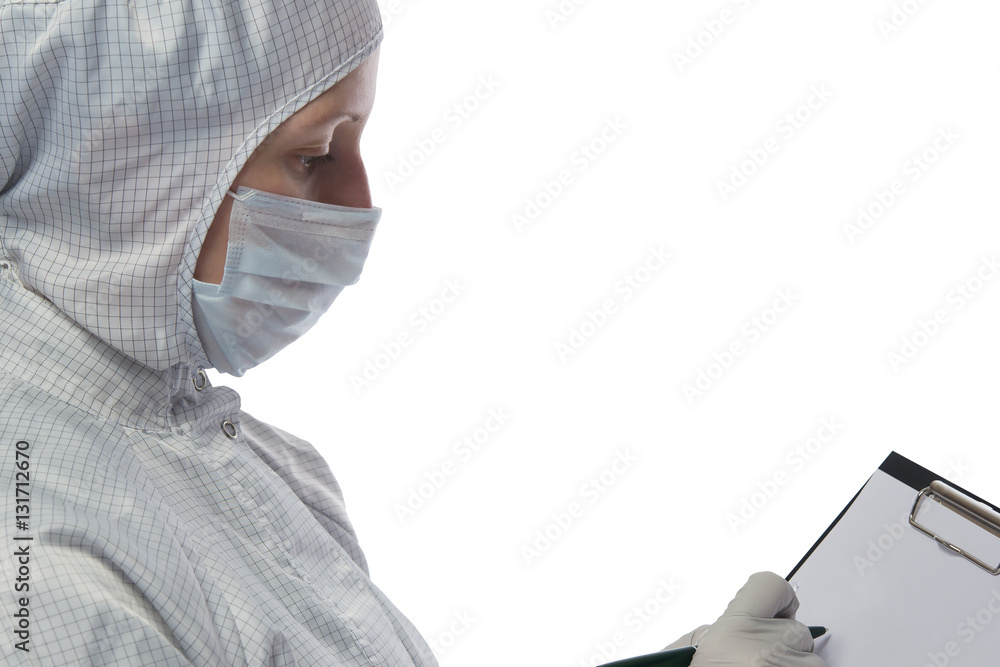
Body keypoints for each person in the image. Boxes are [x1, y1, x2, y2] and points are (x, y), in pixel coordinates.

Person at [0, 0, 825, 664]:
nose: (359, 205)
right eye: (315, 154)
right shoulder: (38, 572)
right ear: (128, 167)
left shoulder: (240, 458)